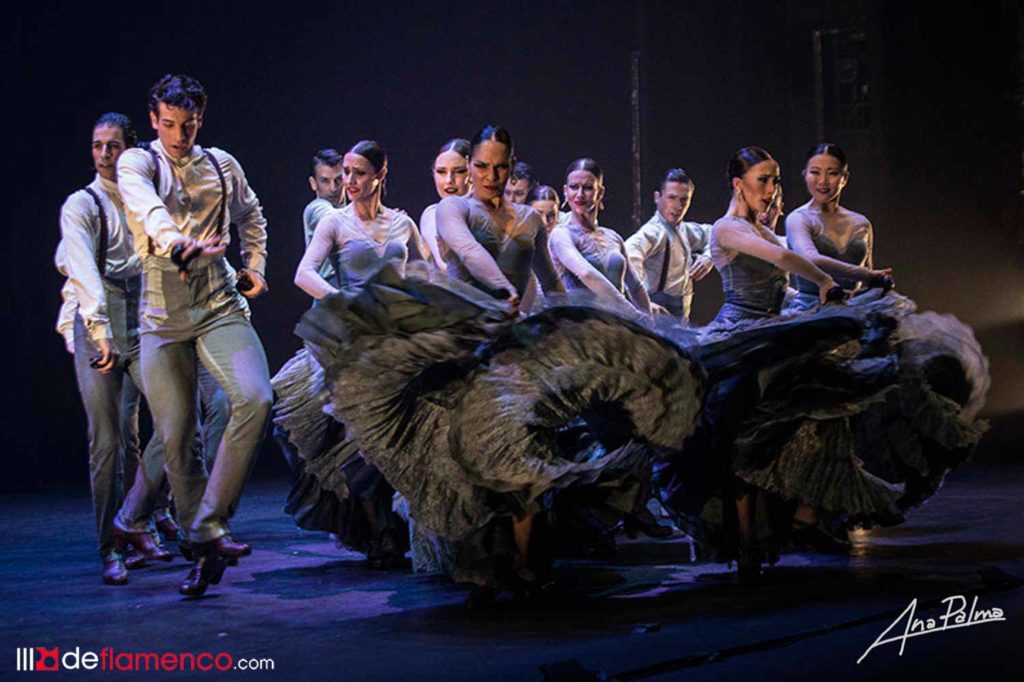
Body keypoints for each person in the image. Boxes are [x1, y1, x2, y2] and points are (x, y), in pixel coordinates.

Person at [114, 74, 273, 597]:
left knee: (254, 396)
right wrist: (176, 240)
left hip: (219, 299)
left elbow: (252, 215)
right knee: (177, 436)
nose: (179, 135)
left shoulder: (222, 165)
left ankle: (210, 522)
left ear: (200, 120)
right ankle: (200, 547)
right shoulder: (138, 162)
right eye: (168, 124)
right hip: (161, 311)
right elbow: (145, 205)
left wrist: (254, 263)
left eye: (189, 125)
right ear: (154, 119)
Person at [277, 140, 423, 566]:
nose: (350, 181)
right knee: (347, 435)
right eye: (346, 173)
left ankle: (397, 530)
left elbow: (427, 270)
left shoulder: (401, 223)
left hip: (396, 339)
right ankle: (377, 531)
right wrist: (346, 303)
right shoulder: (334, 223)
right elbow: (304, 274)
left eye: (359, 173)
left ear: (381, 174)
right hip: (352, 341)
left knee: (393, 435)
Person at [57, 112, 175, 585]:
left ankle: (140, 516)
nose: (104, 155)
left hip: (144, 318)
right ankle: (111, 546)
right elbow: (82, 268)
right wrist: (97, 329)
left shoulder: (145, 198)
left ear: (131, 149)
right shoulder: (81, 204)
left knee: (175, 421)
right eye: (97, 145)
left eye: (113, 146)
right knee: (108, 441)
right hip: (99, 321)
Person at [785, 143, 893, 312]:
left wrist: (874, 282)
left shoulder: (861, 222)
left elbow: (868, 275)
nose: (823, 181)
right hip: (811, 311)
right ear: (805, 175)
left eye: (832, 173)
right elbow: (811, 259)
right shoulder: (798, 219)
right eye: (815, 172)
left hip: (854, 309)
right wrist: (865, 274)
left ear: (845, 178)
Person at [548, 158, 654, 314]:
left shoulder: (613, 237)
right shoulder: (561, 234)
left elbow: (636, 286)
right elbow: (587, 274)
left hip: (617, 324)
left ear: (600, 192)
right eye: (573, 187)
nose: (580, 194)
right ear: (565, 191)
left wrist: (649, 321)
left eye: (588, 188)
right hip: (579, 326)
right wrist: (633, 314)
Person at [624, 168, 714, 322]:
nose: (678, 206)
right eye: (672, 198)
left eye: (684, 199)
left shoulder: (683, 229)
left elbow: (714, 233)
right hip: (661, 313)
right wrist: (642, 301)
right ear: (657, 197)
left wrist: (709, 257)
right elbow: (629, 256)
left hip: (681, 312)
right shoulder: (654, 232)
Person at [418, 138, 471, 271]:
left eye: (459, 171)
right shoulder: (432, 215)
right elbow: (445, 264)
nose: (449, 180)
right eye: (441, 172)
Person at [303, 149, 345, 281]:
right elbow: (334, 220)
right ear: (313, 183)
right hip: (330, 286)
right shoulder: (315, 208)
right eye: (325, 181)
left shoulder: (351, 211)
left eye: (338, 179)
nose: (333, 188)